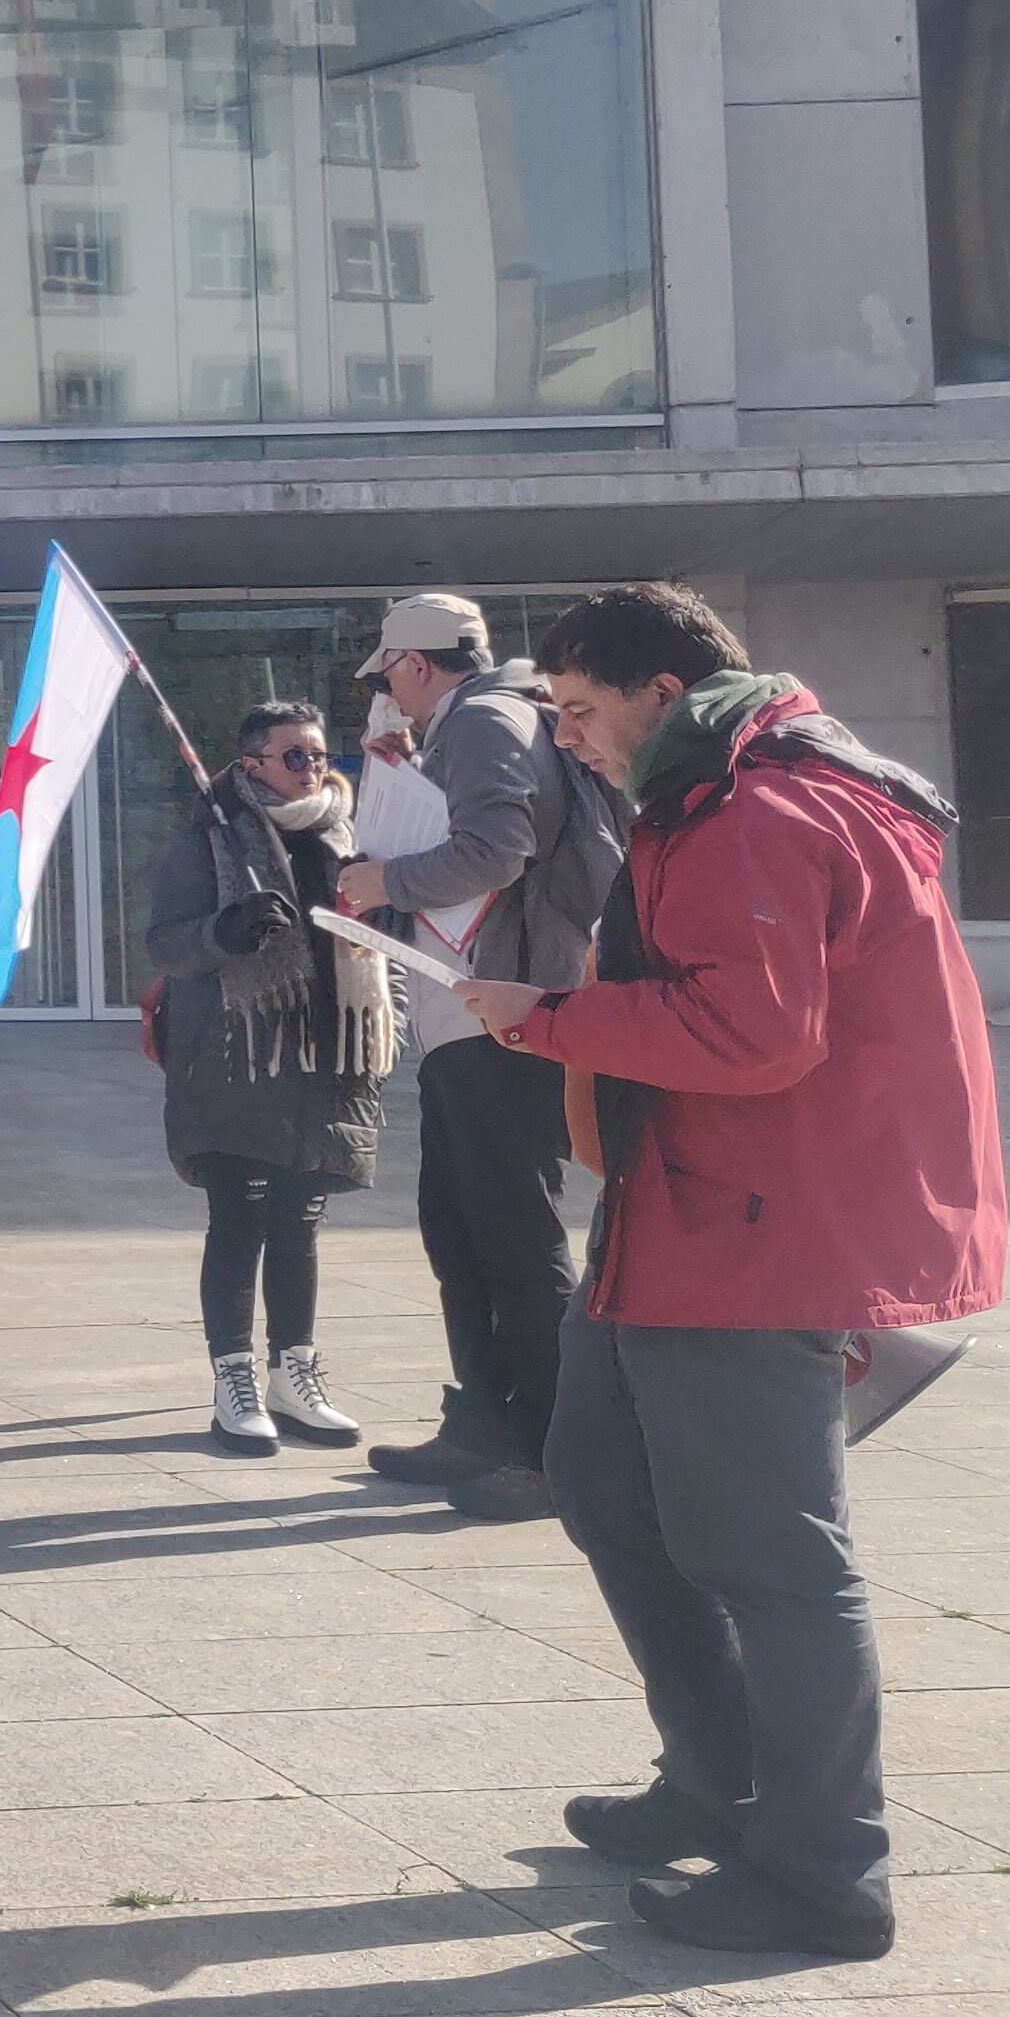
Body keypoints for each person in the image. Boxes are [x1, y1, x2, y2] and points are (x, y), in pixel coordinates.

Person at [468, 583, 1001, 1961]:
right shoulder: (775, 784)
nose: (569, 740)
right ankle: (722, 1781)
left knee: (773, 1561)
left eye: (580, 712)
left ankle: (825, 1873)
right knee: (604, 1486)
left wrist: (550, 1018)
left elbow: (756, 1033)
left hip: (754, 1230)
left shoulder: (746, 809)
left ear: (659, 690)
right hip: (697, 1214)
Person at [335, 591, 619, 1515]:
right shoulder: (500, 715)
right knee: (461, 1224)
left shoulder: (485, 717)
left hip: (504, 1011)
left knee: (509, 1229)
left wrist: (385, 879)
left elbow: (496, 850)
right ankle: (485, 1425)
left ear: (417, 665)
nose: (393, 697)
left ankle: (544, 1448)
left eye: (391, 678)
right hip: (486, 1009)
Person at [139, 702, 392, 1456]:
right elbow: (165, 944)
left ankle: (295, 1372)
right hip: (233, 1056)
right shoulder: (206, 840)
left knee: (300, 1219)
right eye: (294, 758)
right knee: (240, 1216)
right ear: (250, 767)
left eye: (320, 757)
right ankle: (234, 1381)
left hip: (327, 1054)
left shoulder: (344, 837)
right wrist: (226, 931)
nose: (313, 770)